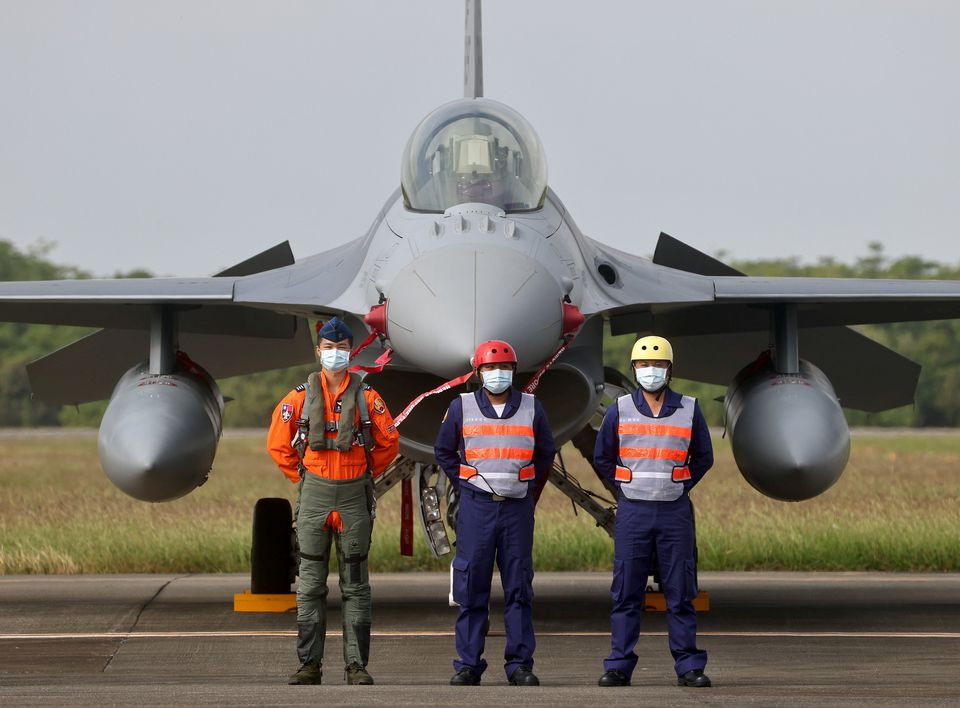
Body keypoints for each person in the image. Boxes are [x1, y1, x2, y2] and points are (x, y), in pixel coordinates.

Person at [267, 317, 400, 686]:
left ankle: (356, 666)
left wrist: (364, 472)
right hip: (316, 496)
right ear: (318, 351)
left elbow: (389, 442)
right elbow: (278, 443)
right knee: (310, 584)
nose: (335, 354)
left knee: (356, 585)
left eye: (342, 349)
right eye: (329, 349)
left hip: (354, 495)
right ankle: (309, 664)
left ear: (350, 351)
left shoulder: (368, 398)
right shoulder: (299, 397)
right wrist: (304, 478)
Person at [434, 340, 556, 686]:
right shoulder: (461, 406)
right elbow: (443, 450)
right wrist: (467, 483)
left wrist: (529, 492)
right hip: (477, 509)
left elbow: (546, 452)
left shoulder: (533, 407)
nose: (497, 374)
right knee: (472, 588)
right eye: (489, 368)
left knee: (519, 589)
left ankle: (519, 664)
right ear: (479, 373)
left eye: (503, 368)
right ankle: (468, 664)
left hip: (517, 509)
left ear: (514, 372)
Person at [594, 335, 714, 688]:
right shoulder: (620, 409)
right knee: (626, 592)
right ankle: (619, 665)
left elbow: (704, 456)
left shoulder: (689, 409)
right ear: (634, 369)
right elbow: (603, 457)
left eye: (658, 365)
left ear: (670, 370)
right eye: (645, 365)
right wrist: (624, 487)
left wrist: (681, 484)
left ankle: (689, 666)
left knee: (680, 591)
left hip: (674, 512)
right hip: (633, 512)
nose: (651, 371)